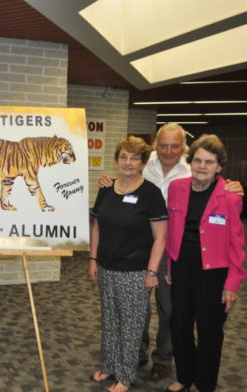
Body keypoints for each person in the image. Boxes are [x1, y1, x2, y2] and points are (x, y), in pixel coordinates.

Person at [98, 123, 243, 380]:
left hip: (174, 253)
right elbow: (126, 176)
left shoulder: (192, 170)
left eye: (174, 146)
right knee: (137, 309)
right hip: (140, 248)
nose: (168, 150)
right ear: (156, 146)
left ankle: (163, 359)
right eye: (163, 144)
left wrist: (232, 187)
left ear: (182, 148)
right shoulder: (145, 162)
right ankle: (136, 353)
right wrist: (107, 180)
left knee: (171, 311)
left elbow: (217, 196)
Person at [165, 134, 246, 392]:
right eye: (198, 160)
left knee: (210, 331)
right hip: (181, 267)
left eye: (209, 162)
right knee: (179, 324)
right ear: (190, 162)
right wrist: (169, 265)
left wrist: (232, 283)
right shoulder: (176, 188)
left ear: (219, 167)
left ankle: (204, 383)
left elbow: (237, 243)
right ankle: (184, 376)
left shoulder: (230, 196)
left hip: (214, 272)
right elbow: (171, 231)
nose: (202, 165)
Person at [89, 136, 168, 392]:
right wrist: (93, 258)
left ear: (144, 163)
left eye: (135, 158)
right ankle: (110, 365)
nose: (128, 162)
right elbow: (97, 225)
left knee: (132, 325)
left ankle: (125, 375)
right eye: (124, 156)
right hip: (106, 267)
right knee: (110, 320)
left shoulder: (151, 194)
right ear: (117, 160)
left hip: (135, 271)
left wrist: (152, 271)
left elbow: (160, 236)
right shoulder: (106, 188)